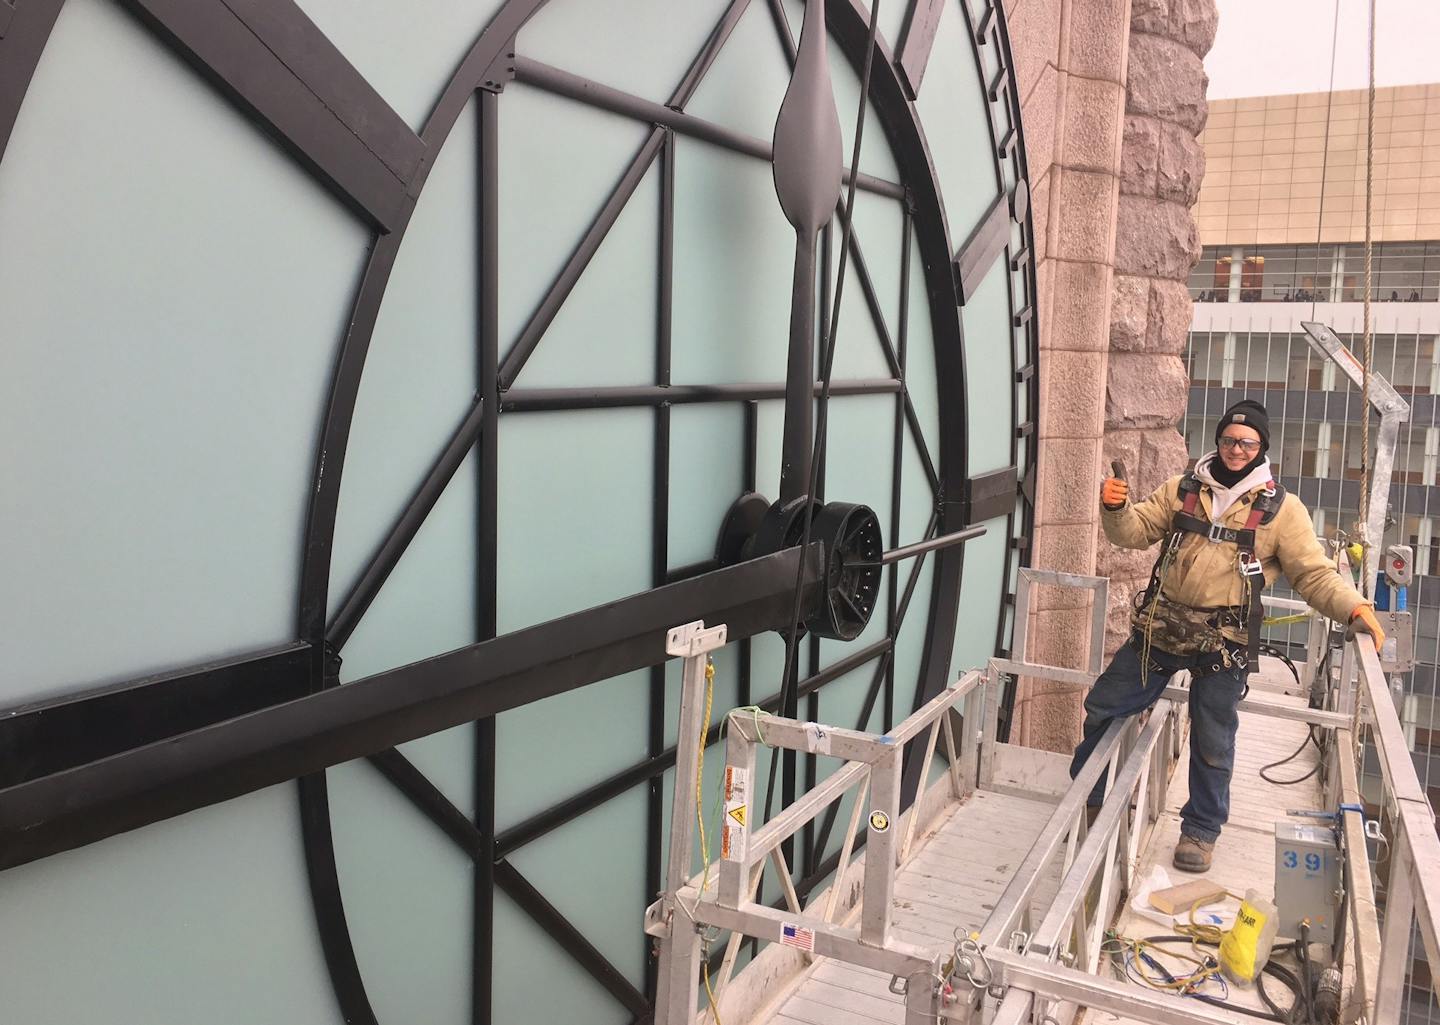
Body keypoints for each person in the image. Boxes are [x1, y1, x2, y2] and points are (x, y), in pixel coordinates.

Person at [1071, 400, 1386, 872]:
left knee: (1213, 736)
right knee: (1103, 706)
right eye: (1228, 440)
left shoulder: (1282, 510)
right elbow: (1134, 533)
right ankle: (1092, 799)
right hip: (1164, 626)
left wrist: (1354, 608)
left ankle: (1200, 830)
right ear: (1217, 442)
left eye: (1246, 442)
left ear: (1261, 448)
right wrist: (1115, 508)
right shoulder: (1183, 489)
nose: (1235, 449)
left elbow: (1313, 574)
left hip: (1226, 640)